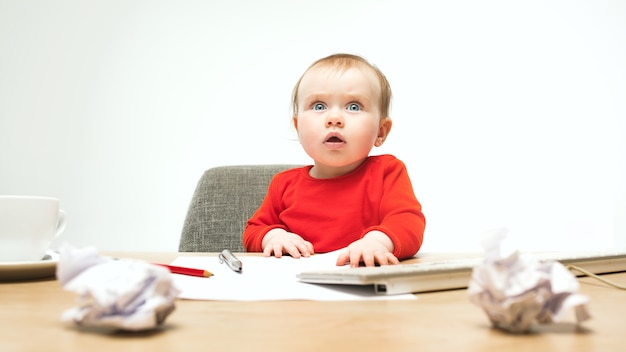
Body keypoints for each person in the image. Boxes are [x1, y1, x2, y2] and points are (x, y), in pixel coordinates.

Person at [243, 53, 425, 267]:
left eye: (354, 107)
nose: (334, 119)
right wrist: (274, 237)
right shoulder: (282, 184)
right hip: (299, 290)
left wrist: (377, 242)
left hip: (362, 285)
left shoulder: (387, 172)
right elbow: (253, 230)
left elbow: (408, 222)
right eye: (319, 106)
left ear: (381, 131)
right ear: (298, 126)